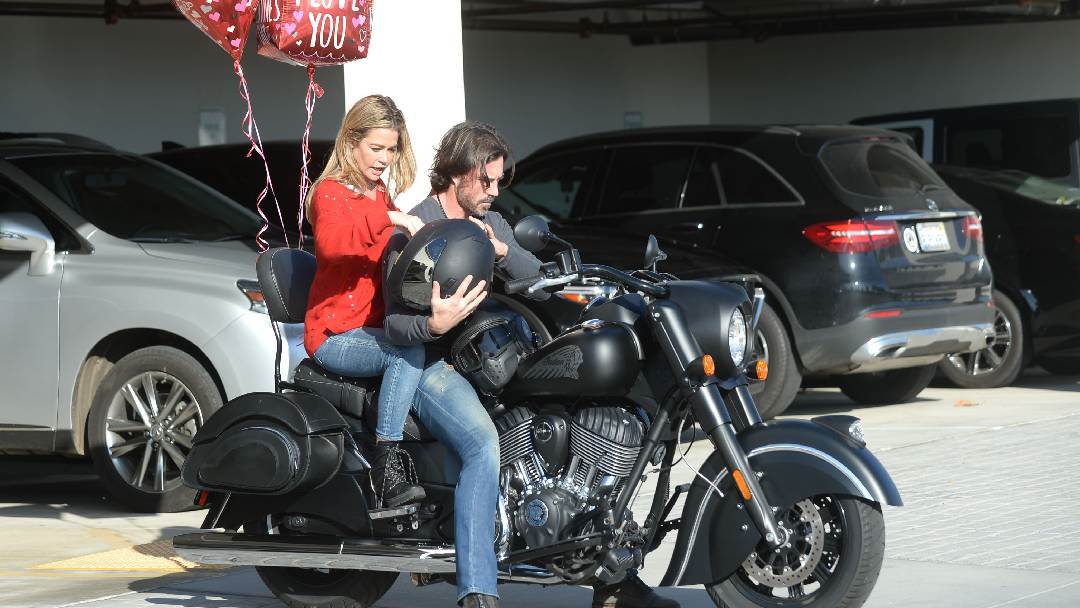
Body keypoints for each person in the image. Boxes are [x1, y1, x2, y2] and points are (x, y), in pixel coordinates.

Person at [384, 121, 678, 608]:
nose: (494, 191)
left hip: (498, 356)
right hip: (436, 364)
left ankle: (612, 576)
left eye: (500, 181)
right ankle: (478, 591)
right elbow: (395, 322)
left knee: (590, 420)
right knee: (481, 446)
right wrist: (435, 324)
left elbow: (540, 281)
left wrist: (500, 251)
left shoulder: (492, 223)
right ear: (456, 172)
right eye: (486, 180)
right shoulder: (418, 228)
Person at [303, 94, 429, 509]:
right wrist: (391, 218)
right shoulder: (330, 194)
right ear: (351, 141)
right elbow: (333, 245)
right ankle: (386, 467)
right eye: (377, 148)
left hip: (371, 328)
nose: (385, 159)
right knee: (406, 352)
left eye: (391, 149)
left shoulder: (378, 194)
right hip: (334, 335)